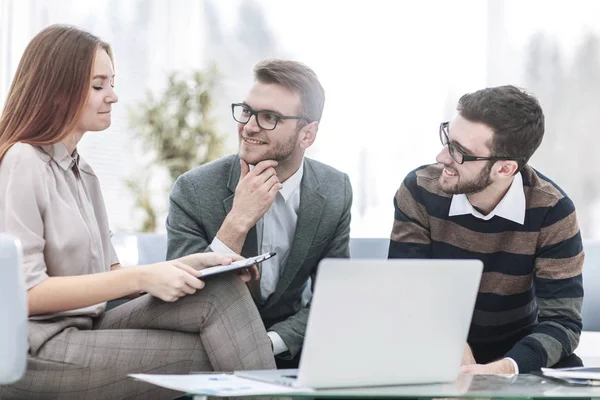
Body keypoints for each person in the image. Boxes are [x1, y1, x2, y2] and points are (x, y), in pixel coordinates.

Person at [0, 25, 276, 399]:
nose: (113, 96)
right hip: (38, 348)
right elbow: (25, 293)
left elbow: (109, 274)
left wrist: (191, 264)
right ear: (57, 89)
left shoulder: (83, 172)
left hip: (89, 326)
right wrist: (145, 276)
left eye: (111, 83)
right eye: (98, 85)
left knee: (221, 288)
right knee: (221, 347)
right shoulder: (22, 161)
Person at [166, 59, 352, 367]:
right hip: (204, 354)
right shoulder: (194, 190)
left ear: (307, 134)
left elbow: (334, 296)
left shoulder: (335, 190)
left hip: (290, 349)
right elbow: (182, 299)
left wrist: (270, 344)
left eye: (270, 117)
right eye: (248, 111)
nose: (249, 126)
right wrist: (236, 223)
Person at [388, 85, 583, 374]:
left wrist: (506, 368)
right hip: (428, 343)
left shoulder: (553, 210)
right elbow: (406, 291)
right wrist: (451, 343)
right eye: (447, 139)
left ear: (504, 169)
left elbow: (563, 322)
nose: (442, 157)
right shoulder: (419, 190)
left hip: (515, 354)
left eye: (460, 152)